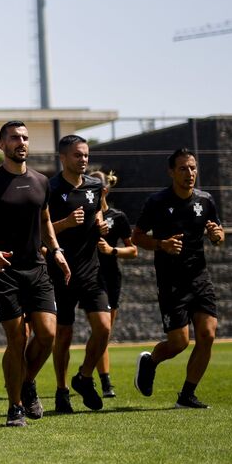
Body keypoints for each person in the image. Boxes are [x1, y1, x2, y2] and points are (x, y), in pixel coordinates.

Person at [0, 121, 70, 427]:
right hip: (3, 270)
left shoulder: (41, 182)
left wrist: (57, 250)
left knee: (47, 334)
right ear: (1, 145)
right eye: (14, 138)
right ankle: (15, 407)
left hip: (36, 268)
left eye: (24, 138)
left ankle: (26, 381)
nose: (21, 142)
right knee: (16, 338)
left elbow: (46, 219)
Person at [131, 148, 225, 409]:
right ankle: (150, 362)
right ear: (171, 172)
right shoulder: (157, 202)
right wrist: (161, 244)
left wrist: (217, 236)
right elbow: (136, 237)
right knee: (179, 343)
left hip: (199, 278)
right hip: (171, 281)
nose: (189, 173)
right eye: (183, 168)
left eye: (193, 168)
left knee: (207, 334)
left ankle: (187, 395)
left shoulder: (205, 201)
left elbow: (218, 232)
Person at [46, 135, 111, 414]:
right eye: (77, 155)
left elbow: (96, 215)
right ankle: (62, 391)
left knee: (104, 328)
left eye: (85, 155)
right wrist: (66, 222)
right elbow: (43, 230)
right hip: (61, 270)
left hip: (90, 269)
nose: (83, 160)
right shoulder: (50, 188)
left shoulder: (95, 186)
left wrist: (101, 227)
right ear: (63, 157)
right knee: (64, 335)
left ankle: (84, 378)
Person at [90, 169, 137, 398]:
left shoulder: (118, 217)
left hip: (111, 278)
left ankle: (103, 380)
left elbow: (133, 250)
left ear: (105, 190)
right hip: (89, 277)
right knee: (101, 328)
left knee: (105, 332)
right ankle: (103, 381)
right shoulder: (83, 216)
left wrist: (112, 250)